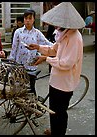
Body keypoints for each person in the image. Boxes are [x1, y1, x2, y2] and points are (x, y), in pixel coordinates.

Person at [26, 2, 84, 135]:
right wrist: (39, 47)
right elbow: (53, 49)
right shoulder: (62, 33)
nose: (56, 26)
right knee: (53, 109)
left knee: (60, 112)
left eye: (58, 23)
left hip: (65, 84)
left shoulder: (75, 38)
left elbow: (66, 63)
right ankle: (54, 130)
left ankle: (59, 133)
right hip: (55, 80)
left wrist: (45, 59)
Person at [8, 9, 53, 96]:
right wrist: (11, 63)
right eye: (26, 18)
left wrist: (58, 47)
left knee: (31, 89)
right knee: (19, 90)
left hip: (32, 66)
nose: (27, 20)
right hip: (19, 66)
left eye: (30, 18)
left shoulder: (37, 33)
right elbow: (14, 49)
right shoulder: (18, 32)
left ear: (33, 20)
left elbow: (47, 43)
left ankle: (33, 107)